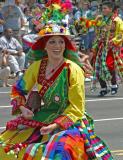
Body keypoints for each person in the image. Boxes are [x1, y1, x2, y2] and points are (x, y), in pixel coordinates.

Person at [0, 1, 113, 159]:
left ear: (65, 45)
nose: (57, 46)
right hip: (43, 115)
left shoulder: (73, 69)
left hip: (71, 121)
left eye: (61, 41)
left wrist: (55, 125)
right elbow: (18, 89)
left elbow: (77, 108)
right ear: (44, 46)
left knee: (58, 151)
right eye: (52, 41)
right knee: (5, 145)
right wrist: (23, 107)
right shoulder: (37, 66)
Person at [91, 1, 123, 96]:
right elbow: (97, 32)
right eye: (102, 8)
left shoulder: (117, 20)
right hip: (100, 46)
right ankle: (103, 87)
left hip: (111, 47)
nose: (103, 10)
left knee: (109, 65)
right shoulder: (100, 19)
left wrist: (113, 40)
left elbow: (121, 34)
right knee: (97, 66)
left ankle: (114, 85)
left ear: (110, 9)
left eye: (105, 8)